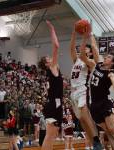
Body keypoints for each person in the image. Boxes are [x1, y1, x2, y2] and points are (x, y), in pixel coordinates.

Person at [80, 34, 114, 150]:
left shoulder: (111, 73)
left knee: (112, 128)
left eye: (108, 57)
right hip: (94, 104)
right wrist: (90, 34)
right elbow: (94, 47)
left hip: (104, 102)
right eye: (106, 56)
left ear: (112, 63)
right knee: (107, 131)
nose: (106, 58)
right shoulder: (97, 65)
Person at [70, 26, 102, 150]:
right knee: (82, 121)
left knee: (84, 116)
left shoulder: (90, 62)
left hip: (83, 90)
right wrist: (73, 34)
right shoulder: (76, 61)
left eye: (85, 49)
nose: (81, 50)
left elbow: (82, 54)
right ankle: (93, 142)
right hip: (73, 93)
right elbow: (72, 48)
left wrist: (84, 38)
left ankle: (96, 139)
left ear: (89, 52)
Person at [38, 20, 63, 150]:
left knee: (53, 134)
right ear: (47, 63)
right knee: (49, 135)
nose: (50, 57)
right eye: (48, 58)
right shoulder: (52, 67)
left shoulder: (54, 68)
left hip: (55, 103)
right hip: (54, 103)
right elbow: (57, 46)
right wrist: (52, 29)